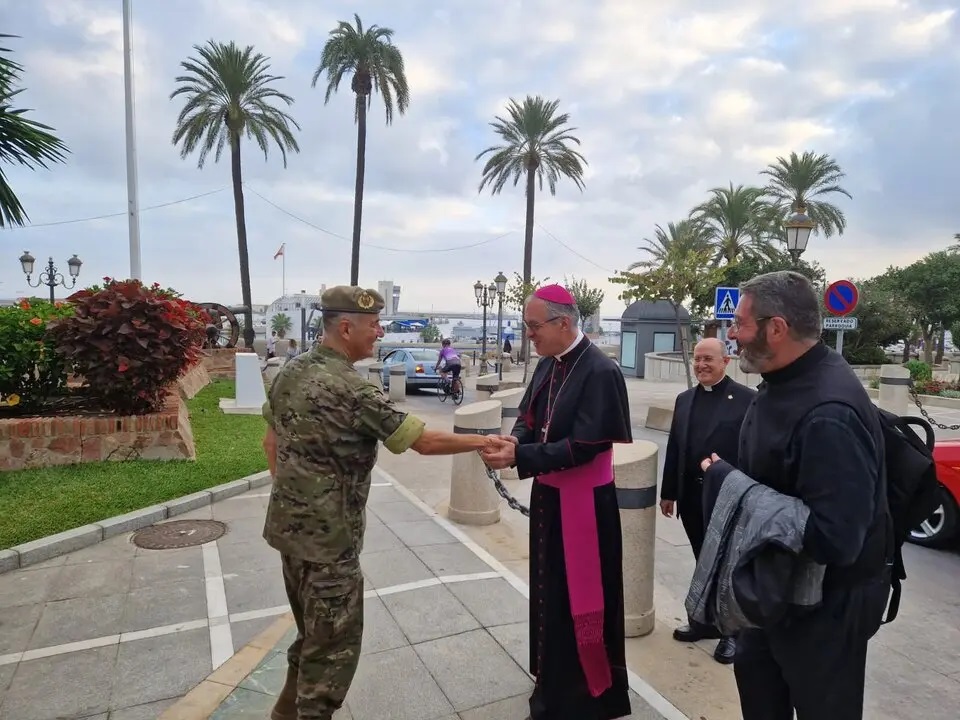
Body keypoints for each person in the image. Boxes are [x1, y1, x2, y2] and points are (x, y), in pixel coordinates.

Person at [261, 286, 510, 720]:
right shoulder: (353, 390)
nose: (379, 332)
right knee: (333, 651)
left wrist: (298, 497)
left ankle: (283, 714)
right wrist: (484, 440)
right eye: (373, 325)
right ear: (345, 328)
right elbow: (423, 442)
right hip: (330, 544)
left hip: (289, 534)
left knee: (310, 636)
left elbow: (270, 442)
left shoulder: (291, 370)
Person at [711, 270, 889, 720]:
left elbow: (836, 538)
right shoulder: (783, 379)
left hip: (824, 612)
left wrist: (729, 484)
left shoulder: (829, 413)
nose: (732, 334)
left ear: (776, 328)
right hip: (773, 593)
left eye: (740, 323)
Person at [482, 284, 634, 720]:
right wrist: (514, 442)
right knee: (549, 592)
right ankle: (550, 679)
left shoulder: (601, 371)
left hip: (585, 506)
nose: (529, 334)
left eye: (534, 327)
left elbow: (584, 446)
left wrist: (521, 456)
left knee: (580, 602)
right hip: (550, 497)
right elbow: (528, 418)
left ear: (563, 323)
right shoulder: (549, 363)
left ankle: (582, 697)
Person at [660, 337, 754, 664]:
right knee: (703, 561)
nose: (701, 365)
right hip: (692, 498)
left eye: (708, 359)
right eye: (697, 359)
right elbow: (675, 447)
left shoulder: (747, 400)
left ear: (725, 361)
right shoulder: (685, 399)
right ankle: (704, 622)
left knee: (728, 568)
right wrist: (668, 492)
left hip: (728, 499)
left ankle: (732, 633)